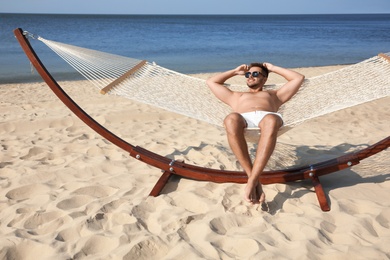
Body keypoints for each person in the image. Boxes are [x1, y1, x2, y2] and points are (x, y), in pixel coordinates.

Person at [206, 62, 304, 204]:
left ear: (264, 79)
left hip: (267, 117)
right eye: (248, 74)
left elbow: (298, 78)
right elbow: (211, 82)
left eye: (255, 73)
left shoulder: (274, 95)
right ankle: (253, 179)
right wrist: (234, 71)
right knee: (230, 119)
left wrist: (272, 68)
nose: (250, 76)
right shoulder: (236, 96)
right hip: (243, 119)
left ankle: (251, 181)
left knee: (271, 119)